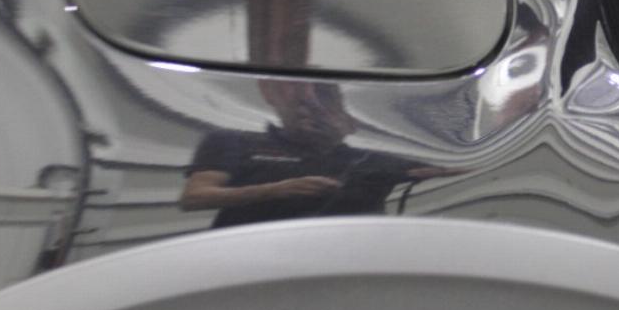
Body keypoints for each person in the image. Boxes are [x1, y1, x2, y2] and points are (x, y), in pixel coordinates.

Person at [180, 80, 453, 228]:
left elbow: (455, 170)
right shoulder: (235, 141)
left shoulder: (375, 158)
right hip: (244, 261)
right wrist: (277, 190)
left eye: (324, 102)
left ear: (351, 123)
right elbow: (195, 197)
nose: (310, 109)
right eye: (301, 101)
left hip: (351, 267)